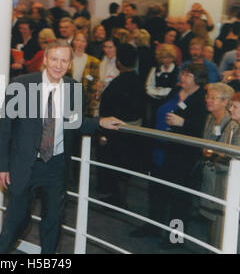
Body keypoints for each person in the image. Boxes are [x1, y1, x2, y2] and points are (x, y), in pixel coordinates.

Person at [0, 39, 123, 254]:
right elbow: (5, 128)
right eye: (54, 59)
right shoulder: (22, 84)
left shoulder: (74, 88)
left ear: (70, 63)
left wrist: (100, 122)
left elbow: (77, 122)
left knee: (53, 223)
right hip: (25, 165)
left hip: (56, 167)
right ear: (45, 60)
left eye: (64, 61)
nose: (58, 65)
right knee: (15, 223)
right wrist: (1, 166)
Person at [131, 63, 208, 248]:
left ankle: (175, 237)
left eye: (188, 75)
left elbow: (202, 128)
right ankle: (152, 227)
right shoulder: (175, 91)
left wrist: (184, 123)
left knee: (178, 200)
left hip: (181, 156)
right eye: (183, 73)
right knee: (155, 192)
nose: (183, 77)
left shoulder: (200, 99)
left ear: (197, 80)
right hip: (160, 151)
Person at [98, 43, 145, 208]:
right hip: (134, 129)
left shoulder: (118, 83)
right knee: (125, 165)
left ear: (119, 62)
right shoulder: (139, 80)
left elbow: (106, 106)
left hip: (117, 130)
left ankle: (118, 199)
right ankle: (118, 197)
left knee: (116, 164)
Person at [199, 83, 239, 249]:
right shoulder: (209, 118)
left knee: (221, 223)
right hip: (211, 176)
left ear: (225, 101)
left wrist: (214, 154)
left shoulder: (232, 125)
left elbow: (231, 156)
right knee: (213, 221)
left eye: (212, 97)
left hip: (223, 180)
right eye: (207, 96)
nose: (208, 100)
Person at [145, 44, 179, 128]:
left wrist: (162, 91)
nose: (167, 60)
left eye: (169, 57)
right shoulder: (155, 69)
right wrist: (156, 93)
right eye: (164, 57)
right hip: (154, 101)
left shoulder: (177, 70)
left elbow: (175, 88)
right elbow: (149, 86)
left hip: (169, 102)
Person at [70, 31, 101, 117]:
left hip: (85, 99)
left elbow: (94, 79)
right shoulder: (66, 58)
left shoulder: (93, 61)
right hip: (67, 96)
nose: (79, 43)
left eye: (83, 41)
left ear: (86, 43)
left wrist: (89, 79)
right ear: (73, 41)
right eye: (77, 40)